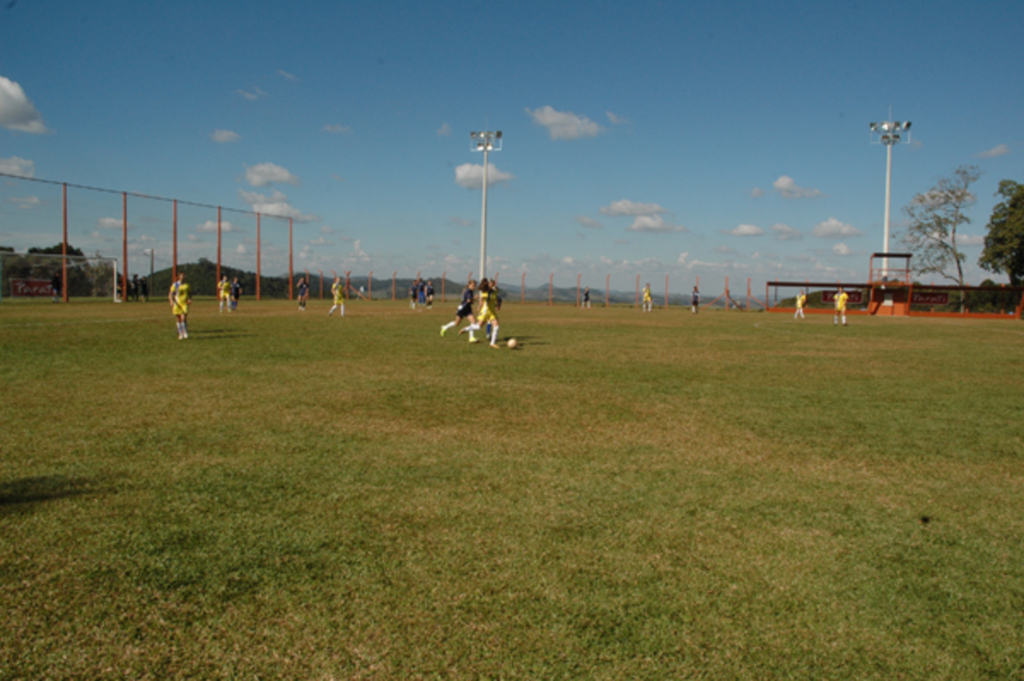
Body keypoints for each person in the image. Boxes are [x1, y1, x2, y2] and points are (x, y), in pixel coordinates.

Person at [462, 279, 500, 348]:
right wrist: (479, 306)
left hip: (492, 312)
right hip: (485, 312)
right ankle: (466, 329)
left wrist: (498, 305)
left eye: (493, 284)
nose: (492, 285)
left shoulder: (494, 291)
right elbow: (481, 299)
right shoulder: (485, 293)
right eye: (491, 284)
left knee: (496, 326)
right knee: (479, 327)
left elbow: (497, 298)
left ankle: (492, 343)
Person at [168, 271, 191, 340]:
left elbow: (190, 293)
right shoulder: (175, 285)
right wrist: (171, 301)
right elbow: (170, 294)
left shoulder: (187, 285)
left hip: (184, 304)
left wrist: (189, 299)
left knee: (183, 317)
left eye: (184, 275)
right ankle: (180, 333)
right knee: (179, 319)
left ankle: (185, 332)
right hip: (177, 303)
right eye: (182, 275)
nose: (183, 277)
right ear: (178, 276)